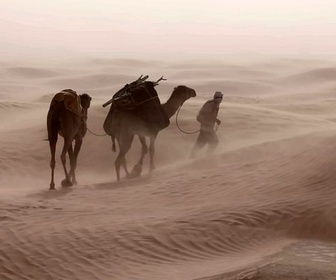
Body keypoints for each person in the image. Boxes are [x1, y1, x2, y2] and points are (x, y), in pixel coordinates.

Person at [190, 91, 223, 158]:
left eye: (220, 97)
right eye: (217, 97)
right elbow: (203, 116)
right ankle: (207, 157)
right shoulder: (212, 104)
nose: (219, 99)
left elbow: (209, 116)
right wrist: (211, 122)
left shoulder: (214, 105)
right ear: (215, 98)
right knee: (215, 142)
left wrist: (216, 120)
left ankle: (192, 157)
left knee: (200, 144)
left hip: (206, 128)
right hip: (206, 128)